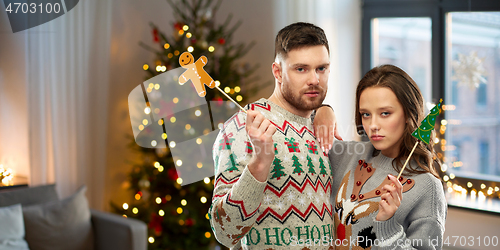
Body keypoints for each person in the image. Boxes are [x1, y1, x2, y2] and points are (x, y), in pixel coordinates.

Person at [209, 22, 337, 249]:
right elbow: (225, 233)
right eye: (301, 69)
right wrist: (259, 163)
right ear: (277, 72)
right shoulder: (241, 127)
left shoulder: (322, 126)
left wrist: (327, 110)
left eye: (321, 69)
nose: (314, 80)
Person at [315, 65, 447, 249]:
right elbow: (300, 124)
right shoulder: (347, 154)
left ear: (409, 114)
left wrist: (388, 226)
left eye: (385, 113)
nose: (373, 125)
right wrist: (324, 110)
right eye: (366, 114)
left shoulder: (428, 187)